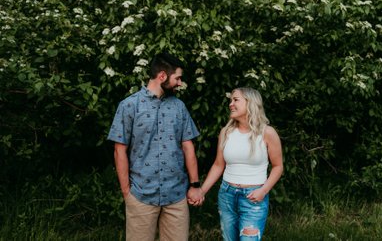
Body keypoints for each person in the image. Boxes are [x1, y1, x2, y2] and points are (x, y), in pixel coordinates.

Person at [107, 52, 203, 241]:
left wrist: (195, 185)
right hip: (141, 194)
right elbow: (119, 150)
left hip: (176, 195)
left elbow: (188, 147)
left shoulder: (179, 107)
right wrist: (127, 192)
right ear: (162, 76)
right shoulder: (129, 106)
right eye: (178, 78)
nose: (180, 83)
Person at [198, 87, 283, 240]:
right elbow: (218, 165)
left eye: (236, 100)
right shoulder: (226, 132)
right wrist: (202, 191)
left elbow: (278, 167)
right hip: (227, 195)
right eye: (231, 100)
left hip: (253, 197)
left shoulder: (267, 133)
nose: (231, 104)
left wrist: (263, 191)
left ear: (250, 103)